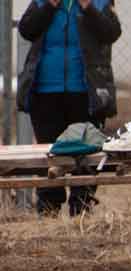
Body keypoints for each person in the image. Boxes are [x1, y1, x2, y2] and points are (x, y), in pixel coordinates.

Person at [17, 0, 121, 217]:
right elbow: (26, 29)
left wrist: (88, 7)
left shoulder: (99, 2)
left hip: (85, 92)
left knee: (86, 152)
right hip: (46, 91)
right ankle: (48, 210)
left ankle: (81, 210)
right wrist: (49, 5)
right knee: (49, 153)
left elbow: (111, 32)